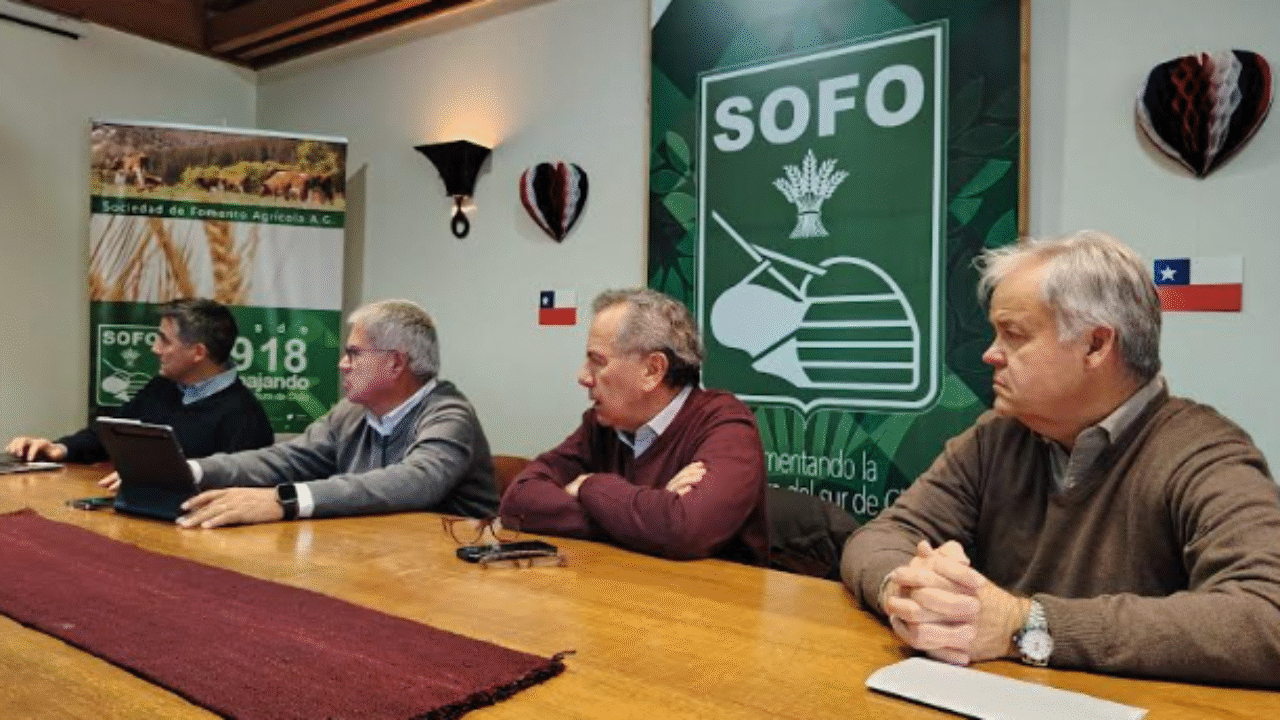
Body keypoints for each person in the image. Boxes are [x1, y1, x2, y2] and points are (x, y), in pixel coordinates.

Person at [840, 230, 1280, 688]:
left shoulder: (1202, 452)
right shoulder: (997, 438)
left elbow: (1267, 615)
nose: (990, 354)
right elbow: (882, 535)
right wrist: (908, 590)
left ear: (1096, 345)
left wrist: (1025, 625)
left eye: (1013, 335)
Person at [128, 299, 499, 529]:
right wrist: (190, 469)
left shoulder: (449, 415)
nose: (342, 364)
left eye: (354, 354)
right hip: (375, 561)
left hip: (449, 582)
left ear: (396, 363)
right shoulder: (350, 412)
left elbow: (414, 482)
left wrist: (284, 500)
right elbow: (286, 459)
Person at [499, 288, 768, 563]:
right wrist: (648, 515)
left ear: (652, 370)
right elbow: (517, 502)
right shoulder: (604, 424)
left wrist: (589, 486)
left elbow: (685, 531)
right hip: (624, 584)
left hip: (710, 590)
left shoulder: (726, 425)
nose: (583, 376)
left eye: (597, 361)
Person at [6, 298, 274, 463]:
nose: (154, 348)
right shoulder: (161, 388)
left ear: (198, 353)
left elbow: (238, 491)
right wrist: (59, 448)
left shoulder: (245, 418)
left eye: (164, 340)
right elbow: (110, 434)